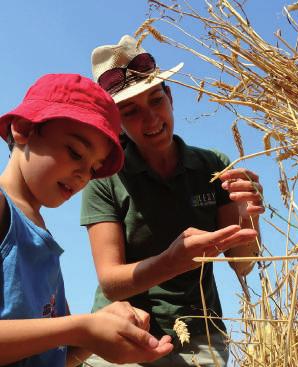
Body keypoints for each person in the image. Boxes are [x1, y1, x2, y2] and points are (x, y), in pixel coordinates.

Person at [80, 35, 264, 367]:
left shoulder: (213, 166)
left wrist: (249, 215)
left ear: (171, 98)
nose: (150, 119)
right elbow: (110, 282)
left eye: (155, 100)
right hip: (122, 329)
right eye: (130, 111)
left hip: (199, 337)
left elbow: (242, 264)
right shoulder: (104, 179)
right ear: (115, 122)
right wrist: (172, 260)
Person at [0, 73, 175, 366]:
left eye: (94, 169)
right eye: (75, 152)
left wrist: (94, 335)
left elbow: (57, 355)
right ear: (23, 128)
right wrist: (81, 328)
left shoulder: (42, 237)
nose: (83, 176)